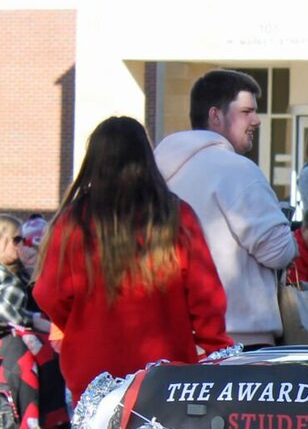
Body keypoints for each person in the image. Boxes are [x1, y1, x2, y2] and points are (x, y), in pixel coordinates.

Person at [36, 115, 231, 402]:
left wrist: (84, 321)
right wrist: (215, 348)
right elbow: (206, 297)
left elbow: (49, 293)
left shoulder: (73, 221)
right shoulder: (176, 215)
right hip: (166, 375)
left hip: (92, 372)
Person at [155, 69, 296, 347]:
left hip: (178, 335)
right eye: (246, 111)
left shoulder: (156, 171)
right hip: (241, 336)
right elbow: (279, 251)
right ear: (215, 116)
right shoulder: (237, 170)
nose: (256, 120)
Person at [0, 214, 68, 429]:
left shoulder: (12, 271)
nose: (21, 245)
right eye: (17, 240)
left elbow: (23, 310)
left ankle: (53, 421)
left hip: (9, 332)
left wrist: (41, 322)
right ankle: (26, 423)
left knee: (51, 347)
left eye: (23, 240)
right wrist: (29, 320)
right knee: (21, 349)